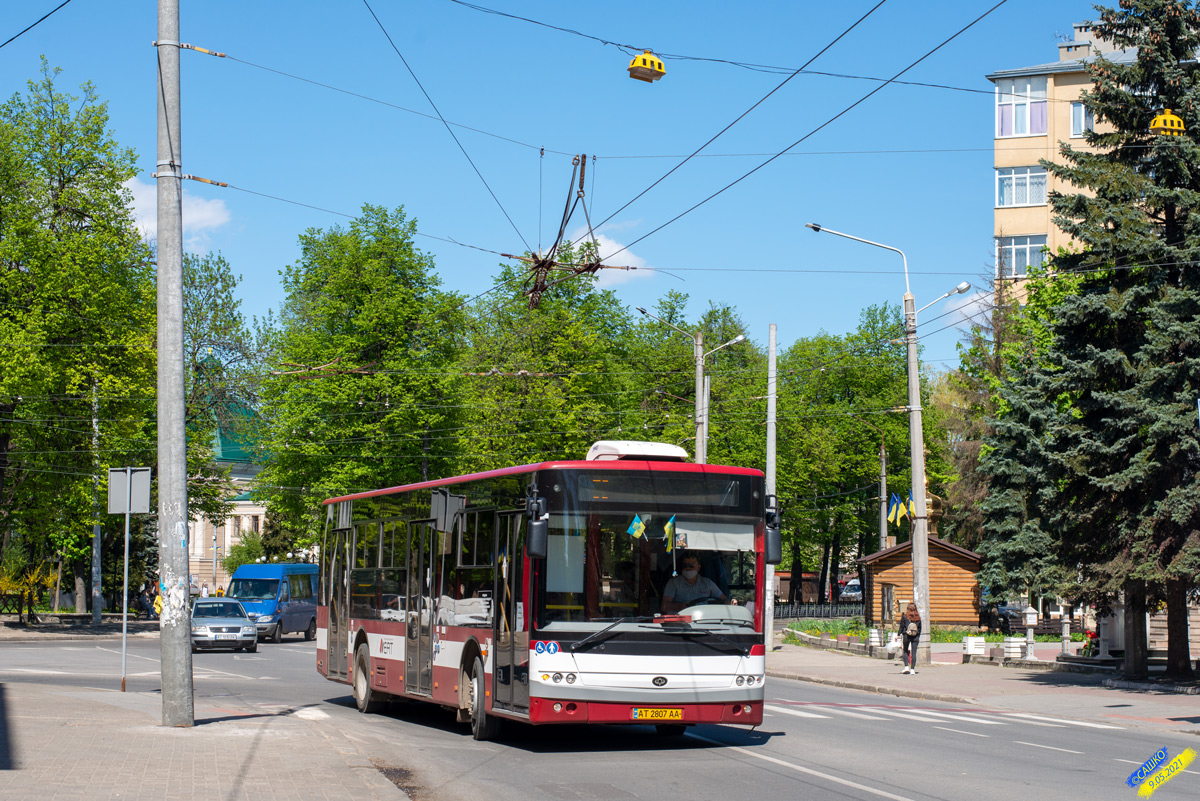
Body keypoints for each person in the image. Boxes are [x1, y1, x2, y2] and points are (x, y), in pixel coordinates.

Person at [662, 554, 727, 613]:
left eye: (691, 566)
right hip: (681, 621)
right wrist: (679, 606)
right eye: (685, 565)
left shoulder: (707, 583)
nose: (687, 568)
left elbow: (724, 599)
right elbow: (664, 606)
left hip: (703, 620)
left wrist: (731, 603)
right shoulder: (673, 583)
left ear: (698, 567)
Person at [900, 602, 921, 674]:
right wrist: (918, 636)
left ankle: (906, 667)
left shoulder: (905, 617)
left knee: (905, 650)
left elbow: (901, 626)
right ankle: (912, 669)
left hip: (906, 636)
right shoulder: (918, 617)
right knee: (914, 653)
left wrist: (898, 634)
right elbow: (920, 628)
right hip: (915, 636)